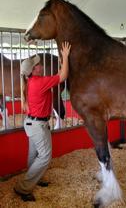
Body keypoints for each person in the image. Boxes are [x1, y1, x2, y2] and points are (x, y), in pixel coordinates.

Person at [14, 41, 71, 201]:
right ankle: (22, 188)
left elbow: (59, 74)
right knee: (45, 156)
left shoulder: (32, 81)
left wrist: (62, 62)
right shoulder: (39, 82)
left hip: (32, 124)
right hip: (38, 126)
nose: (40, 65)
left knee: (34, 155)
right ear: (33, 70)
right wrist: (65, 56)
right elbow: (63, 76)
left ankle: (34, 180)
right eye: (37, 65)